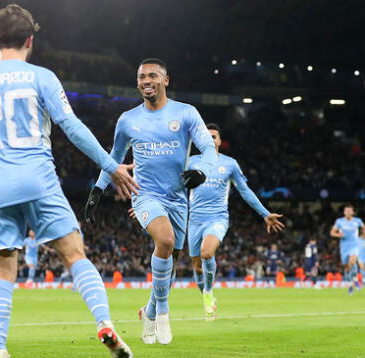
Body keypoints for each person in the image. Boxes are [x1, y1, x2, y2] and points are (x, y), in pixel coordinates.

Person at [0, 5, 136, 358]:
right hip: (39, 182)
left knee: (3, 271)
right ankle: (104, 323)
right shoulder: (41, 77)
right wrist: (111, 167)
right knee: (75, 255)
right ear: (30, 40)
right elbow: (72, 128)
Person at [85, 58, 218, 345]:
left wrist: (202, 171)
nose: (146, 80)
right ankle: (163, 315)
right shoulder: (128, 119)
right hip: (145, 195)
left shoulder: (185, 113)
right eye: (142, 76)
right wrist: (98, 189)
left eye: (153, 75)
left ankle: (149, 311)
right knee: (165, 242)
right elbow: (115, 156)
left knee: (171, 264)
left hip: (179, 199)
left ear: (165, 80)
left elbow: (207, 146)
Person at [185, 123, 284, 320]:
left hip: (217, 218)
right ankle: (207, 295)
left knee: (207, 253)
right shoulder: (190, 162)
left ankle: (207, 293)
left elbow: (245, 191)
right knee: (196, 266)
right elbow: (173, 186)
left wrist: (264, 213)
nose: (211, 139)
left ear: (220, 141)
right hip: (194, 220)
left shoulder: (229, 164)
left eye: (214, 136)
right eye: (207, 136)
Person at [330, 204, 365, 295]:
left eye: (349, 211)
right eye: (346, 211)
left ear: (353, 212)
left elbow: (364, 229)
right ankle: (353, 281)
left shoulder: (357, 221)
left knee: (352, 261)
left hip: (354, 245)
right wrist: (338, 235)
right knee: (347, 267)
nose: (348, 212)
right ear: (344, 212)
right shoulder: (339, 221)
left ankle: (353, 282)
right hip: (344, 247)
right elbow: (332, 232)